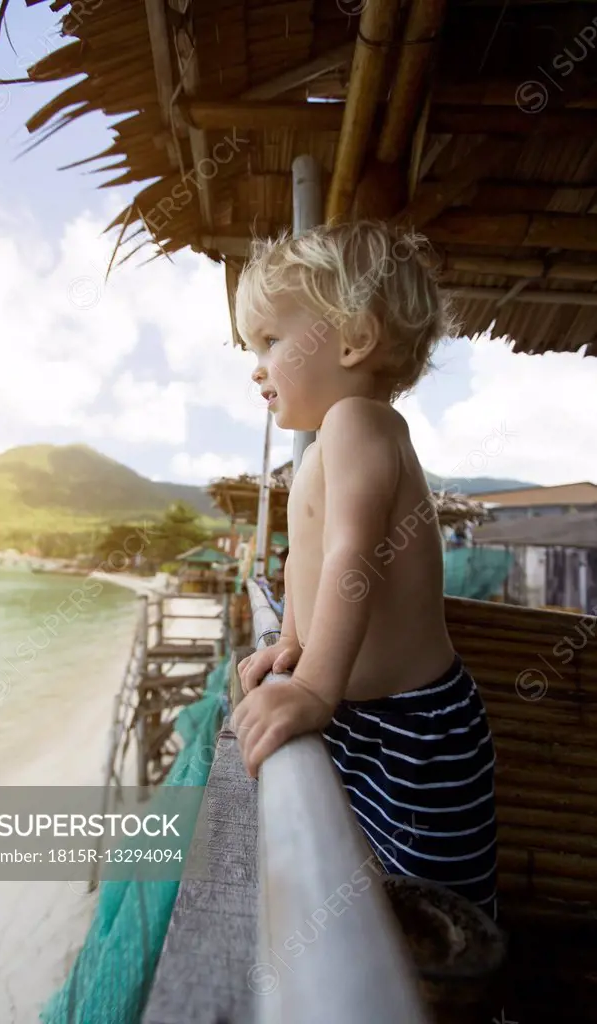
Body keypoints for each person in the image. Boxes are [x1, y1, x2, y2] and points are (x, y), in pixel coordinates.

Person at [232, 221, 497, 920]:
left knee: (440, 914)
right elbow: (306, 563)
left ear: (350, 338)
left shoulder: (360, 422)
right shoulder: (319, 450)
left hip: (417, 728)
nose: (256, 366)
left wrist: (314, 688)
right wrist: (293, 642)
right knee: (368, 888)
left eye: (270, 341)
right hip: (360, 713)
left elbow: (355, 552)